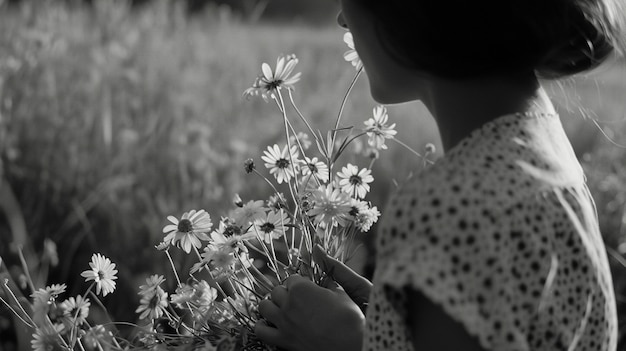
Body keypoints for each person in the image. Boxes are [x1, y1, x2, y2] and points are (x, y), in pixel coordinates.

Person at [254, 0, 626, 350]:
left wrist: (350, 343)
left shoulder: (448, 205)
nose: (343, 20)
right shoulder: (548, 152)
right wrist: (393, 326)